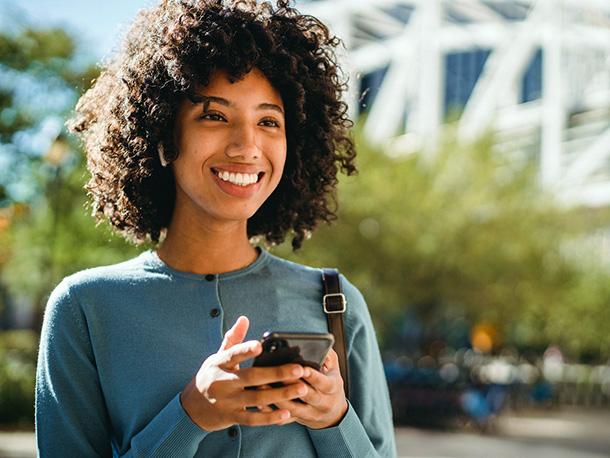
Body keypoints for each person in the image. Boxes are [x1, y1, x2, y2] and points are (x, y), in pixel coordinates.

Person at [35, 0, 396, 456]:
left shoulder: (336, 304)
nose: (247, 146)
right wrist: (192, 414)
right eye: (214, 115)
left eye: (269, 121)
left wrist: (334, 420)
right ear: (164, 136)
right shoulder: (84, 308)